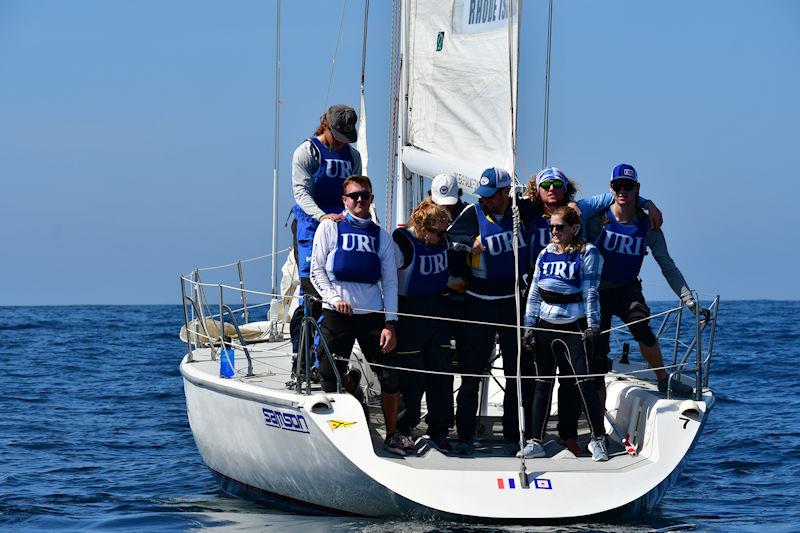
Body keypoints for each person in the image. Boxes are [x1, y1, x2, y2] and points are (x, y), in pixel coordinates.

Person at [309, 175, 409, 455]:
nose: (359, 200)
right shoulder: (329, 228)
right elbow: (316, 271)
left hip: (372, 315)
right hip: (337, 313)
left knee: (390, 376)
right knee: (329, 374)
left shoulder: (382, 237)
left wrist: (390, 323)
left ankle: (392, 433)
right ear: (344, 200)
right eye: (354, 196)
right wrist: (335, 299)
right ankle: (341, 430)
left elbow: (390, 281)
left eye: (365, 195)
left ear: (371, 199)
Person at [586, 163, 698, 398]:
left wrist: (688, 300)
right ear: (611, 187)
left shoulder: (648, 225)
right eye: (618, 186)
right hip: (596, 292)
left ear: (637, 188)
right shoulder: (595, 220)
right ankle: (598, 413)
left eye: (628, 186)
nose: (622, 191)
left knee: (642, 328)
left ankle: (663, 379)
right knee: (597, 352)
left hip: (627, 288)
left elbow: (667, 264)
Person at [446, 167, 534, 456]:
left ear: (505, 192)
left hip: (511, 302)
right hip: (478, 302)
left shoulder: (522, 212)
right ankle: (466, 437)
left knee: (514, 375)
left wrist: (646, 204)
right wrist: (470, 245)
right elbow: (447, 239)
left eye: (491, 196)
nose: (485, 201)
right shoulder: (473, 213)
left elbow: (563, 208)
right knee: (472, 374)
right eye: (482, 196)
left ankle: (513, 436)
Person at [520, 205, 609, 462]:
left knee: (584, 382)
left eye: (560, 227)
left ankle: (598, 439)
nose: (554, 232)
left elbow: (590, 292)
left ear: (574, 228)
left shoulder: (588, 253)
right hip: (545, 326)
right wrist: (529, 328)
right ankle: (535, 441)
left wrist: (593, 326)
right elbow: (534, 293)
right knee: (542, 384)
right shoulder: (544, 254)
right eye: (551, 228)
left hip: (574, 326)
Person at [289, 105, 362, 359]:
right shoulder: (307, 152)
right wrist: (322, 217)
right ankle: (302, 359)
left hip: (340, 229)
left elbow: (357, 193)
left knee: (339, 290)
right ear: (327, 127)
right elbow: (301, 194)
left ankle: (328, 357)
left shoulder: (353, 157)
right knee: (312, 293)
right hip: (311, 225)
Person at [393, 200, 454, 452]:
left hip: (437, 309)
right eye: (438, 232)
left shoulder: (443, 240)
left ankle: (439, 428)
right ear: (422, 227)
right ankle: (404, 427)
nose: (442, 237)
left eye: (444, 232)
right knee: (411, 376)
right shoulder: (402, 243)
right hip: (409, 311)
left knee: (441, 373)